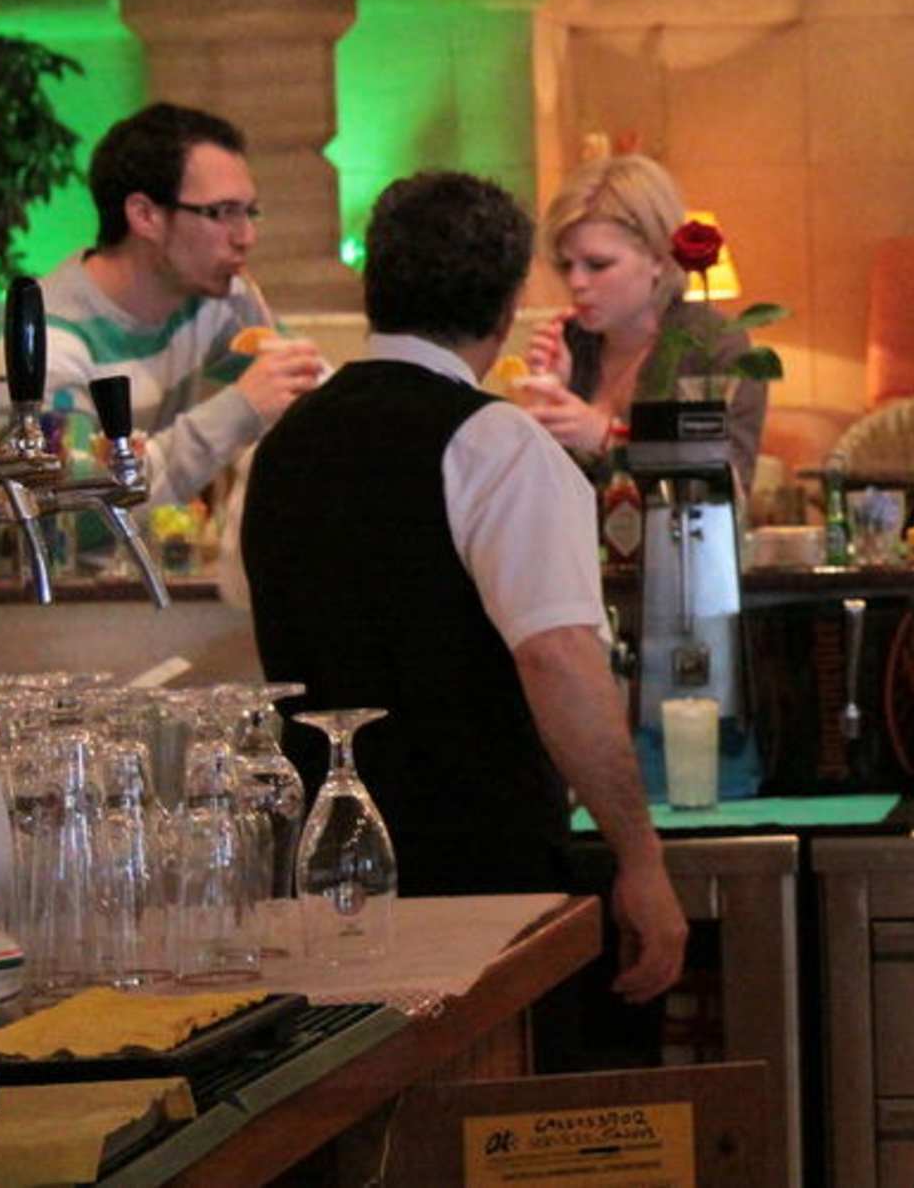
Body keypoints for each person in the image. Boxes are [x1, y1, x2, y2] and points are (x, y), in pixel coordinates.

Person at [243, 171, 686, 1009]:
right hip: (485, 881)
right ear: (509, 303)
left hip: (319, 882)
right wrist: (640, 857)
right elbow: (558, 658)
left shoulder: (278, 447)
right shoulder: (498, 444)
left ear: (375, 286)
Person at [0, 102, 324, 506]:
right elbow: (72, 516)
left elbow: (312, 386)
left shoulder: (213, 299)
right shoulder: (42, 346)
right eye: (223, 212)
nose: (246, 237)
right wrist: (239, 410)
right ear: (145, 215)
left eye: (249, 213)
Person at [516, 154, 767, 491]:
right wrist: (548, 401)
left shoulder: (711, 344)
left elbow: (725, 485)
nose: (576, 282)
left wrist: (608, 438)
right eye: (565, 265)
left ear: (659, 258)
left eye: (597, 265)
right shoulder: (571, 342)